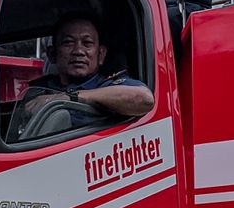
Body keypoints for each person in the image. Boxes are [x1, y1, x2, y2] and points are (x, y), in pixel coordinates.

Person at [13, 15, 153, 136]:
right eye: (68, 42)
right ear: (52, 54)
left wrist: (70, 96)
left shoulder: (107, 86)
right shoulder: (38, 88)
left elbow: (144, 99)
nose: (78, 51)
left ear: (101, 55)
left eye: (87, 43)